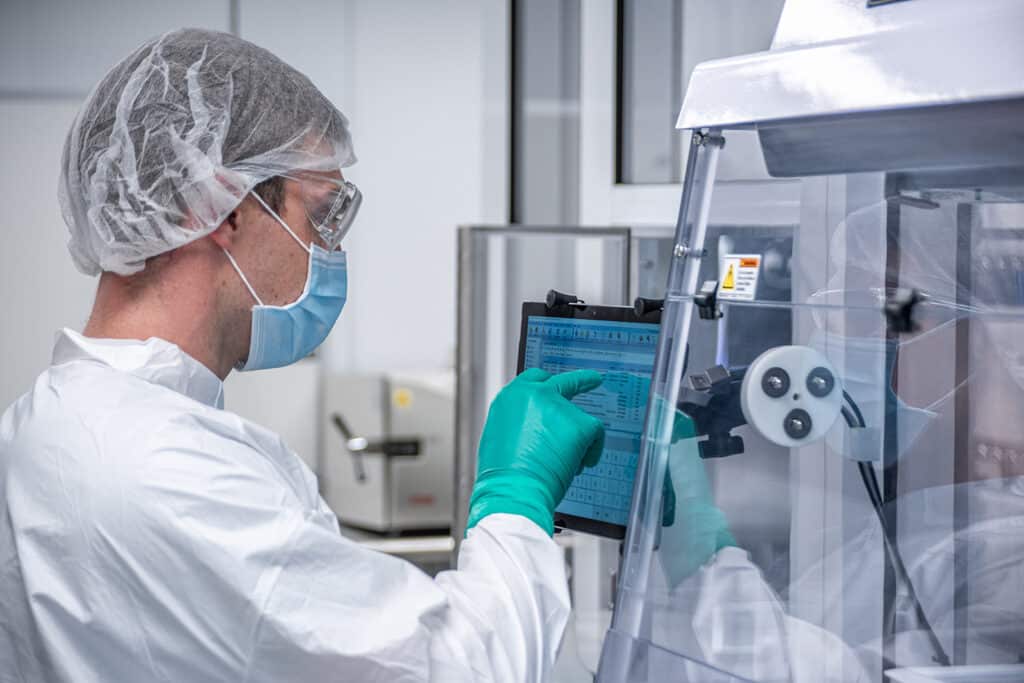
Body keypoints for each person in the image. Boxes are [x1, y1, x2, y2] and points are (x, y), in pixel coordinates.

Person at [0, 29, 605, 682]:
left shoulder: (40, 422)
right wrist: (517, 495)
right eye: (321, 214)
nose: (330, 252)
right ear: (216, 207)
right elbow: (463, 669)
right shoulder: (174, 474)